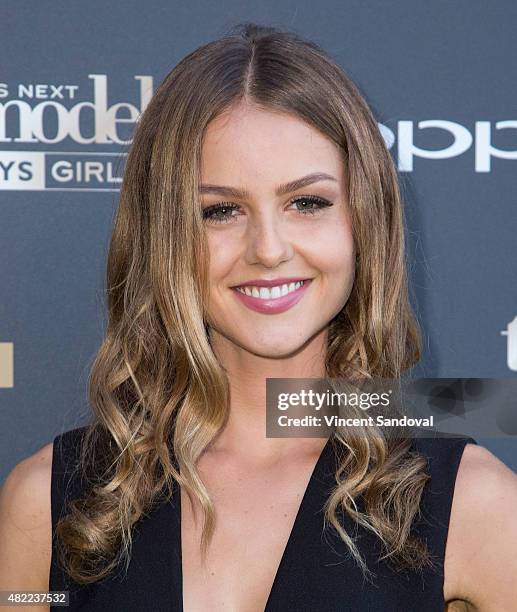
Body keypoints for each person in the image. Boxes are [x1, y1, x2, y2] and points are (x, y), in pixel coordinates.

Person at [1, 22, 516, 612]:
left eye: (307, 203)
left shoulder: (472, 504)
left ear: (364, 221)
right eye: (220, 211)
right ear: (162, 237)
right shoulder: (50, 501)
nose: (268, 249)